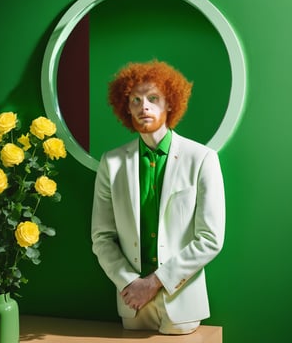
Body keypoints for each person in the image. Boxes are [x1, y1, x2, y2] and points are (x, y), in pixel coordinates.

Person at [91, 60, 225, 335]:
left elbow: (211, 239)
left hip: (182, 302)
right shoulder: (111, 162)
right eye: (135, 100)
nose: (144, 107)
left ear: (170, 103)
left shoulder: (202, 159)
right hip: (132, 305)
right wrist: (130, 284)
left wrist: (153, 283)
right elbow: (102, 237)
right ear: (125, 108)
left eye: (153, 98)